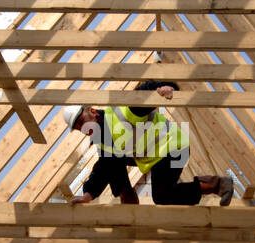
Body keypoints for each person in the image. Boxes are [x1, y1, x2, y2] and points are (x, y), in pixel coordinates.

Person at [64, 80, 233, 207]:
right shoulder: (103, 141)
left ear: (93, 112)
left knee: (162, 195)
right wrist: (88, 194)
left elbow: (143, 93)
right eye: (78, 128)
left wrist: (165, 87)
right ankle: (128, 199)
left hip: (173, 146)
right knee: (110, 162)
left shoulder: (122, 112)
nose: (83, 128)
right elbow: (102, 170)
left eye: (81, 121)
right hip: (155, 157)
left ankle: (218, 184)